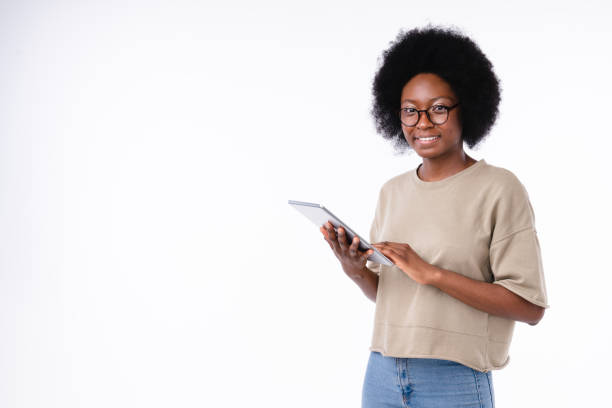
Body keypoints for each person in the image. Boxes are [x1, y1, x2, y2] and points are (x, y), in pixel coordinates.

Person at [319, 25, 549, 408]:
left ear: (468, 107)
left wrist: (434, 274)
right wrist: (356, 270)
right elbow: (395, 297)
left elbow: (530, 307)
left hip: (454, 378)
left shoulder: (499, 188)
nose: (422, 122)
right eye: (410, 111)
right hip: (381, 373)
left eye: (438, 108)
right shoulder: (392, 191)